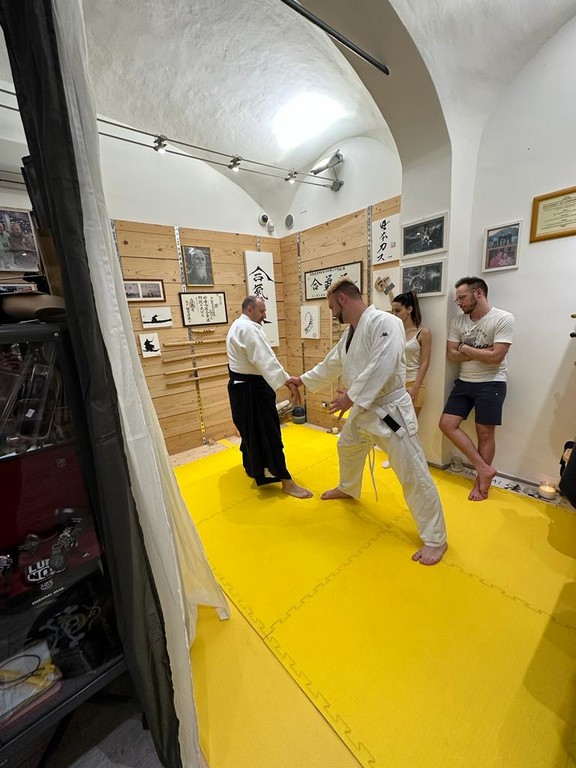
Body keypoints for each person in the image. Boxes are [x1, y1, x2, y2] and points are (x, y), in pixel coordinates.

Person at [288, 279, 447, 565]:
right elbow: (331, 363)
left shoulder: (386, 322)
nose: (332, 313)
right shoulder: (351, 332)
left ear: (343, 299)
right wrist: (303, 380)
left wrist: (351, 397)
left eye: (332, 307)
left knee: (412, 472)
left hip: (390, 412)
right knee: (348, 446)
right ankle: (348, 487)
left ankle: (436, 539)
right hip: (364, 408)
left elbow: (383, 364)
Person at [226, 295, 312, 499]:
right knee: (269, 434)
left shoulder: (238, 325)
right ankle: (287, 482)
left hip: (240, 390)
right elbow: (265, 360)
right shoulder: (248, 329)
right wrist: (288, 381)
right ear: (249, 310)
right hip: (252, 391)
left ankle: (253, 468)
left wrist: (285, 379)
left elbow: (264, 360)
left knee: (251, 432)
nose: (265, 315)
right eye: (262, 311)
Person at [439, 276, 514, 501]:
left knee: (485, 433)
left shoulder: (503, 318)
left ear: (478, 293)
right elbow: (451, 355)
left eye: (462, 297)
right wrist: (484, 352)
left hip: (492, 382)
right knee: (446, 424)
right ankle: (484, 468)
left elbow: (496, 357)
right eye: (457, 299)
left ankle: (480, 484)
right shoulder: (458, 322)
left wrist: (465, 348)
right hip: (464, 382)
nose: (459, 303)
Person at [390, 291, 431, 419]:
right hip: (396, 384)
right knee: (392, 425)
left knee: (410, 426)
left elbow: (425, 362)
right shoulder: (395, 331)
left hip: (413, 383)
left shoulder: (423, 332)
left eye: (398, 310)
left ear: (409, 309)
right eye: (393, 311)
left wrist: (416, 388)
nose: (395, 314)